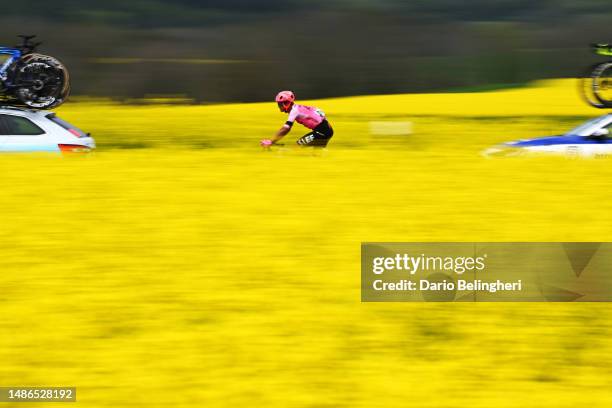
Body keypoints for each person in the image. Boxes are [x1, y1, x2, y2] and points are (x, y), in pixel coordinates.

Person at [260, 91, 334, 148]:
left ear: (286, 103)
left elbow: (286, 129)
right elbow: (320, 112)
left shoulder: (294, 111)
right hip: (327, 130)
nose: (278, 106)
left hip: (322, 131)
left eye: (279, 104)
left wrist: (271, 141)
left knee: (297, 147)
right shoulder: (298, 107)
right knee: (317, 152)